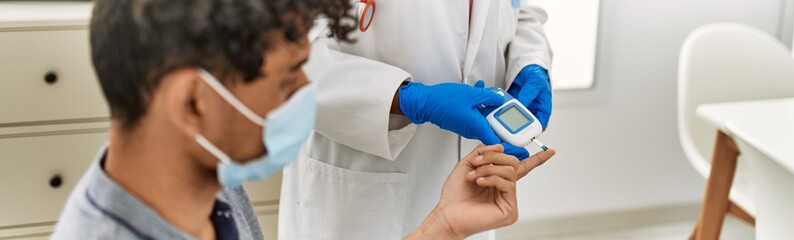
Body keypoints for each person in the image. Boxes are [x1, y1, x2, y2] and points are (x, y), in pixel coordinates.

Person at [51, 0, 549, 239]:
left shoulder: (219, 203)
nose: (306, 93)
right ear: (194, 102)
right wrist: (404, 97)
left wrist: (441, 226)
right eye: (292, 78)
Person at [280, 0, 555, 239]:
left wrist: (530, 62)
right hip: (361, 202)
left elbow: (522, 12)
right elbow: (277, 60)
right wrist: (405, 98)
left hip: (477, 193)